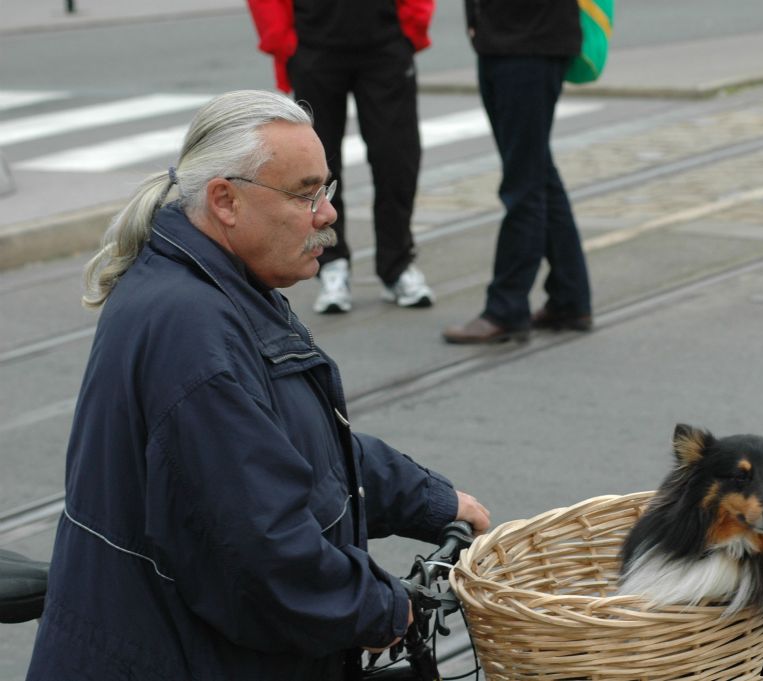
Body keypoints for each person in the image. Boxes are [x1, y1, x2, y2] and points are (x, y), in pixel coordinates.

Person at [26, 90, 490, 681]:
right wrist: (383, 609)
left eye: (327, 189)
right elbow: (256, 552)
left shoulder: (219, 285)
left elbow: (298, 448)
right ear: (225, 200)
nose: (327, 214)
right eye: (305, 193)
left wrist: (431, 500)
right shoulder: (191, 327)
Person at [246, 0, 435, 314]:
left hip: (385, 42)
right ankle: (331, 263)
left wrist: (412, 26)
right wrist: (283, 40)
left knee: (396, 158)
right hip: (314, 44)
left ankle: (397, 264)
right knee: (316, 165)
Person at [443, 0, 593, 344]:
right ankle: (570, 299)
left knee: (523, 183)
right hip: (501, 39)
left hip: (531, 42)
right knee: (537, 172)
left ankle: (507, 309)